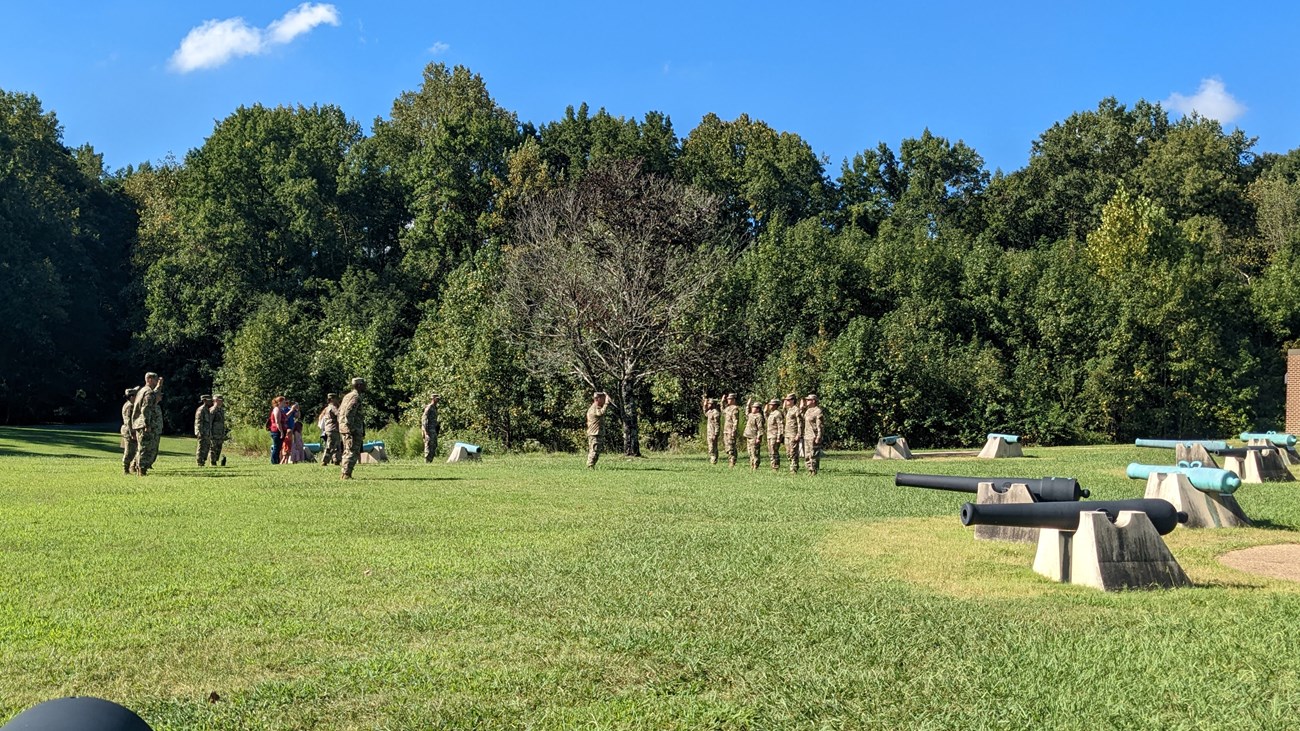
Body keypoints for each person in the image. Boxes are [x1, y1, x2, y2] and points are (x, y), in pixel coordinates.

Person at [130, 372, 163, 476]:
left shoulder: (143, 391)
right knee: (145, 448)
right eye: (155, 379)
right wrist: (147, 424)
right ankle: (141, 470)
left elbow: (153, 398)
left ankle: (137, 467)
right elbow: (146, 409)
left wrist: (159, 386)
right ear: (149, 379)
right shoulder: (148, 392)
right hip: (145, 425)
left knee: (144, 447)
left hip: (141, 423)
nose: (156, 381)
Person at [338, 378, 367, 479]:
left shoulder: (347, 396)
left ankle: (345, 473)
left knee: (347, 450)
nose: (365, 386)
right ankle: (346, 474)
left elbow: (339, 411)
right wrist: (351, 427)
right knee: (352, 451)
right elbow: (349, 412)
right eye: (363, 384)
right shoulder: (355, 397)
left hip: (344, 427)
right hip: (351, 428)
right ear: (358, 385)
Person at [586, 391, 613, 468]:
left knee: (595, 450)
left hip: (596, 433)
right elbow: (600, 413)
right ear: (598, 399)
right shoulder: (595, 408)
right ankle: (590, 466)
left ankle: (591, 465)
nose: (604, 400)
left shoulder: (595, 407)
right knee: (594, 450)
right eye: (603, 399)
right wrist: (606, 404)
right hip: (595, 433)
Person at [802, 393, 825, 475]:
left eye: (808, 400)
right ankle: (809, 470)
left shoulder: (818, 411)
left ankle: (814, 470)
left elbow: (820, 425)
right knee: (807, 455)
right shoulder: (808, 410)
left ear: (813, 401)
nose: (806, 401)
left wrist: (819, 436)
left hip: (813, 436)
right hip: (807, 435)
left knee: (813, 454)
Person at [317, 393, 342, 466]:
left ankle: (336, 460)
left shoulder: (327, 408)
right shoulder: (333, 407)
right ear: (332, 399)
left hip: (329, 428)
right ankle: (324, 460)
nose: (337, 400)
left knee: (336, 446)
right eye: (336, 398)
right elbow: (338, 414)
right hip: (333, 428)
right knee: (330, 445)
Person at [121, 387, 140, 475]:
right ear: (132, 397)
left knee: (135, 450)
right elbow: (128, 421)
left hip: (130, 430)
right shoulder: (130, 406)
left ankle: (132, 467)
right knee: (129, 451)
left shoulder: (129, 404)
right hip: (129, 431)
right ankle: (125, 469)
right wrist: (132, 433)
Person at [782, 393, 803, 474]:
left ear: (793, 400)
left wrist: (799, 434)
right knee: (788, 453)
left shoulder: (796, 409)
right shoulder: (789, 410)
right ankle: (792, 465)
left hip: (793, 434)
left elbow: (800, 423)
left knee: (793, 452)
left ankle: (794, 468)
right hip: (787, 434)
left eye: (788, 400)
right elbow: (783, 410)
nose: (786, 401)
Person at [743, 399, 764, 470]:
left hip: (754, 437)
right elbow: (746, 413)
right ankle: (752, 466)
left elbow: (760, 428)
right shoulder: (751, 415)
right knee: (750, 453)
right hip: (748, 436)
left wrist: (759, 438)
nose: (752, 408)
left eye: (754, 407)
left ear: (758, 409)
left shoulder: (759, 416)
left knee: (755, 453)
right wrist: (748, 404)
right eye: (752, 407)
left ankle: (755, 467)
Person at [721, 393, 740, 468]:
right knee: (727, 447)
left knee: (731, 446)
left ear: (733, 400)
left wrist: (734, 431)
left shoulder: (735, 409)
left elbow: (735, 421)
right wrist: (722, 402)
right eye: (727, 399)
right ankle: (730, 460)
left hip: (731, 430)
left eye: (729, 399)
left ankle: (732, 462)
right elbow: (722, 411)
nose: (728, 400)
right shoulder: (728, 408)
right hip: (726, 430)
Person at [700, 394, 721, 465]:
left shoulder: (715, 413)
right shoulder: (710, 412)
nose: (708, 405)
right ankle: (713, 459)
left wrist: (716, 433)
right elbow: (705, 412)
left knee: (712, 447)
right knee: (710, 446)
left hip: (713, 432)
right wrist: (704, 404)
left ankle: (713, 460)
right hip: (709, 432)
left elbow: (717, 424)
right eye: (708, 404)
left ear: (713, 404)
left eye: (709, 404)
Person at [765, 398, 784, 471]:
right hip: (770, 435)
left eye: (771, 405)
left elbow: (780, 426)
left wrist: (779, 437)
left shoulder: (777, 413)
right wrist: (766, 406)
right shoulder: (771, 413)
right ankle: (773, 465)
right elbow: (765, 413)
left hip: (775, 435)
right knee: (770, 452)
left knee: (774, 452)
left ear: (775, 405)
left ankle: (776, 467)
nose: (770, 406)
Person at [209, 394, 228, 466]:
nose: (220, 402)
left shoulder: (221, 410)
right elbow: (210, 422)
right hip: (214, 433)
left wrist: (223, 433)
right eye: (218, 401)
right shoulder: (212, 410)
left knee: (218, 448)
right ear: (214, 401)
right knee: (213, 449)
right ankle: (213, 463)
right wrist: (210, 433)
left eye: (221, 401)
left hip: (220, 433)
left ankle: (215, 461)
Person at [194, 395, 213, 467]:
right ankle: (199, 462)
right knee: (201, 447)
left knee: (206, 447)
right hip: (202, 432)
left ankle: (203, 461)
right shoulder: (201, 410)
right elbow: (198, 422)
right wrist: (199, 432)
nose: (210, 401)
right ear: (204, 401)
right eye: (208, 400)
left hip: (207, 432)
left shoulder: (207, 410)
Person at [422, 393, 440, 463]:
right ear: (432, 399)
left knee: (434, 445)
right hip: (429, 429)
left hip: (433, 429)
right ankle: (427, 461)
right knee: (428, 445)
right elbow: (424, 419)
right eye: (436, 398)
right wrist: (426, 431)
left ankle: (430, 461)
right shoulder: (429, 407)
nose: (438, 400)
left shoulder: (435, 407)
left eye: (438, 399)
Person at [268, 396, 286, 465]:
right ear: (279, 402)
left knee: (279, 447)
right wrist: (281, 432)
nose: (285, 403)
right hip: (276, 431)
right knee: (276, 446)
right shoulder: (276, 409)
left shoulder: (280, 410)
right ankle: (274, 461)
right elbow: (277, 422)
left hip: (280, 430)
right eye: (283, 402)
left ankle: (277, 461)